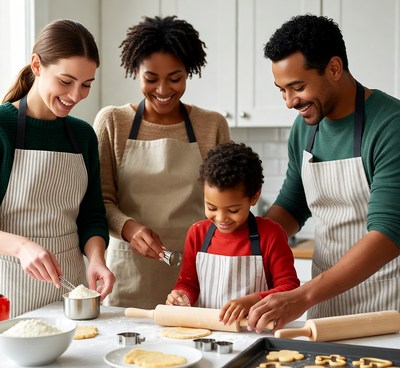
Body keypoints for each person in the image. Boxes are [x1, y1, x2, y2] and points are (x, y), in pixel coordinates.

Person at [246, 14, 400, 333]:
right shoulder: (305, 129)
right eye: (281, 90)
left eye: (297, 87)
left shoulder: (390, 125)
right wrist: (243, 245)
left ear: (333, 68)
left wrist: (301, 295)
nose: (289, 102)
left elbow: (388, 233)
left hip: (385, 306)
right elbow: (292, 205)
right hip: (324, 306)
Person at [94, 16, 231, 309]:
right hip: (129, 275)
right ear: (135, 71)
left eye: (175, 78)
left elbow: (229, 200)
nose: (163, 90)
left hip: (196, 274)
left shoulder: (211, 125)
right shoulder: (113, 122)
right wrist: (130, 228)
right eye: (151, 78)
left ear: (189, 73)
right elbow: (99, 201)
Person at [0, 19, 115, 317]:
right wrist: (22, 246)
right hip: (9, 294)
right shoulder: (2, 127)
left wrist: (97, 259)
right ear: (37, 65)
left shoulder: (82, 136)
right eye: (66, 81)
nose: (76, 95)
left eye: (86, 84)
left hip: (71, 292)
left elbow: (91, 215)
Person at [166, 142, 300, 326]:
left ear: (254, 197)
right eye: (211, 207)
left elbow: (290, 289)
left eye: (233, 210)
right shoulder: (198, 233)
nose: (221, 218)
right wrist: (181, 296)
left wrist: (253, 300)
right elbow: (189, 283)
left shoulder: (271, 234)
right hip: (208, 332)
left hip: (256, 333)